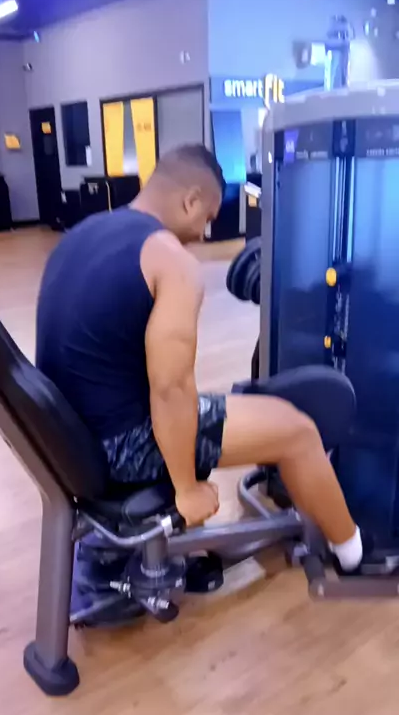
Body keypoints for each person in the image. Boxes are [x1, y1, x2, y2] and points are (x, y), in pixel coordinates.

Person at [37, 144, 365, 573]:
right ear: (190, 199)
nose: (205, 232)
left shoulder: (83, 232)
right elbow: (171, 388)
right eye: (206, 218)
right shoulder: (170, 260)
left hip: (69, 435)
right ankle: (354, 555)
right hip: (121, 445)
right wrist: (186, 489)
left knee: (231, 407)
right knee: (298, 431)